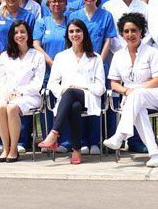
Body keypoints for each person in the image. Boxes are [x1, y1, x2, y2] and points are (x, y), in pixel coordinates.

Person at [102, 13, 158, 167]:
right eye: (126, 31)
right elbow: (114, 84)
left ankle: (120, 135)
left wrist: (135, 90)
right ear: (122, 33)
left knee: (137, 96)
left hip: (155, 95)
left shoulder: (152, 52)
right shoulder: (118, 56)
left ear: (141, 32)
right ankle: (154, 155)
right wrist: (127, 92)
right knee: (139, 111)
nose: (130, 34)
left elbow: (157, 80)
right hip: (132, 98)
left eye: (134, 30)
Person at [37, 19, 106, 165]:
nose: (75, 34)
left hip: (89, 97)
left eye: (78, 31)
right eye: (71, 31)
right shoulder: (60, 57)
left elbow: (101, 87)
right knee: (73, 105)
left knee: (72, 92)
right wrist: (65, 90)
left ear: (84, 33)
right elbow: (52, 83)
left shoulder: (95, 57)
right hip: (67, 100)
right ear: (67, 35)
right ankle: (76, 150)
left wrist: (82, 88)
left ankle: (54, 133)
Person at [0, 20, 44, 163]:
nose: (19, 35)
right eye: (16, 32)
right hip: (6, 94)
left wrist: (19, 92)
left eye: (22, 32)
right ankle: (5, 148)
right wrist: (6, 93)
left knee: (12, 108)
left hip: (29, 96)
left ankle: (14, 149)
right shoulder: (5, 56)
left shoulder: (37, 56)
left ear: (28, 34)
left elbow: (37, 83)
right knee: (1, 106)